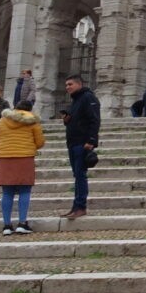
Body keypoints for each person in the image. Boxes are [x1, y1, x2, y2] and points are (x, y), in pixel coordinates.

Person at [0, 99, 45, 235]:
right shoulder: (33, 121)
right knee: (25, 190)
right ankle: (22, 223)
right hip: (24, 156)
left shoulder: (3, 120)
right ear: (29, 110)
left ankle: (6, 225)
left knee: (7, 192)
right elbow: (39, 142)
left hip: (4, 157)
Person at [60, 75, 100, 219]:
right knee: (77, 176)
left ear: (79, 84)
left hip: (82, 143)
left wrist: (91, 140)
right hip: (73, 143)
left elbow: (94, 120)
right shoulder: (76, 100)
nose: (67, 87)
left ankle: (81, 207)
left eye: (70, 84)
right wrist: (67, 120)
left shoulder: (88, 98)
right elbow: (79, 120)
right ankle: (75, 206)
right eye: (66, 85)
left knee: (80, 175)